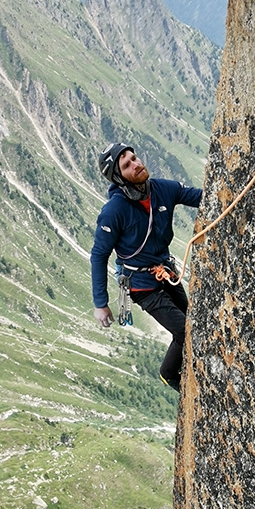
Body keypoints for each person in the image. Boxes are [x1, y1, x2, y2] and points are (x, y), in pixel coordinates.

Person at [91, 142, 202, 392]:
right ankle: (168, 373)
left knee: (192, 321)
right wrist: (100, 303)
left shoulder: (162, 189)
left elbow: (200, 197)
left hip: (165, 273)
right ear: (118, 177)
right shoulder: (114, 211)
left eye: (135, 157)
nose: (137, 164)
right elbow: (99, 255)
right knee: (187, 330)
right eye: (127, 165)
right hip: (142, 287)